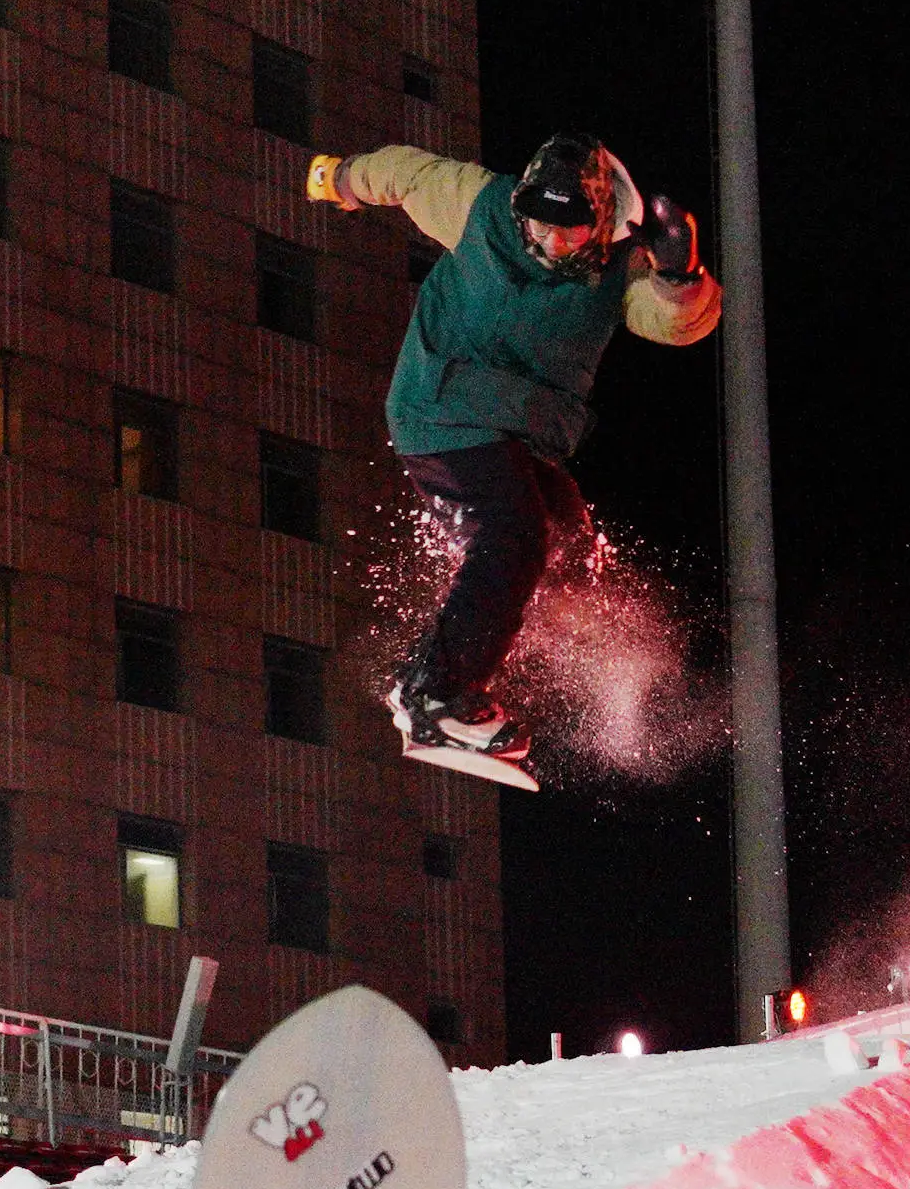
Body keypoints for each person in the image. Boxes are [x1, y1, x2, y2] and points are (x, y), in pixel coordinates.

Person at [308, 133, 718, 784]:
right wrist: (340, 179)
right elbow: (404, 174)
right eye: (538, 224)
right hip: (443, 410)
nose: (550, 242)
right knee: (512, 533)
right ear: (521, 203)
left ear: (601, 222)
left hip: (520, 434)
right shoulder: (478, 204)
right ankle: (433, 691)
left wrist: (679, 276)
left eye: (570, 232)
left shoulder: (621, 268)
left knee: (569, 544)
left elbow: (673, 323)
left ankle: (471, 649)